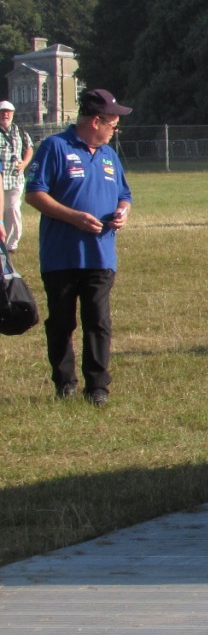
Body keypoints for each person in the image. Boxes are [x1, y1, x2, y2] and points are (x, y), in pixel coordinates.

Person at [25, 88, 133, 406]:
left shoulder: (109, 156)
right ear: (95, 120)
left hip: (101, 254)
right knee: (61, 322)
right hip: (62, 255)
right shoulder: (54, 147)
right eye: (113, 123)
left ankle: (97, 386)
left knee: (98, 320)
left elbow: (125, 194)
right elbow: (35, 193)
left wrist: (122, 212)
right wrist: (74, 218)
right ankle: (65, 383)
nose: (116, 130)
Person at [0, 99, 33, 253]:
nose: (5, 114)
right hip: (0, 178)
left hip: (15, 178)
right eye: (2, 112)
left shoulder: (21, 132)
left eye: (8, 112)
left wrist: (25, 163)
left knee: (12, 208)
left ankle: (11, 245)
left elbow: (29, 148)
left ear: (12, 114)